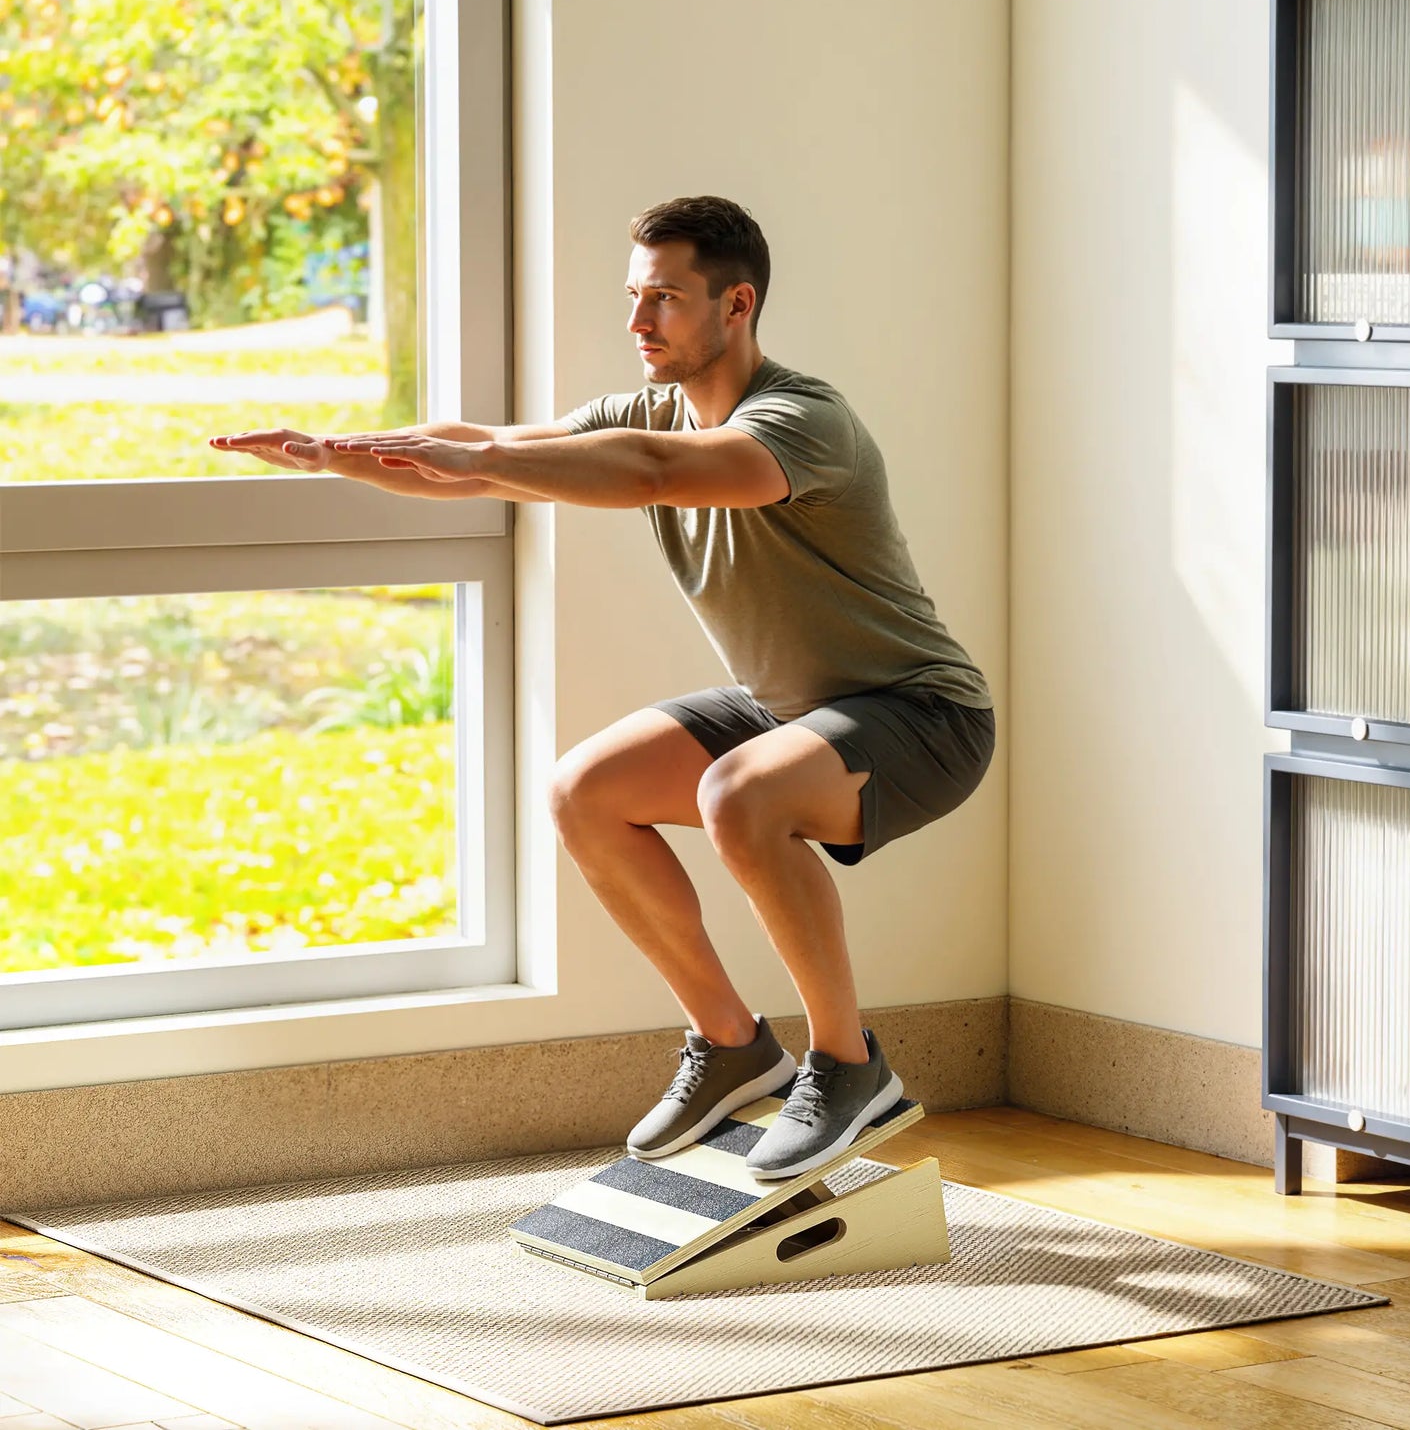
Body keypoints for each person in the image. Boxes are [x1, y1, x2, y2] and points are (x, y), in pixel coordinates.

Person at [209, 194, 995, 1181]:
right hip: (791, 703)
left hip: (924, 712)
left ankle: (848, 1065)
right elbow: (492, 458)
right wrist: (345, 454)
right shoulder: (649, 409)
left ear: (736, 304)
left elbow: (655, 471)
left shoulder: (801, 422)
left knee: (738, 795)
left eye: (663, 299)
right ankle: (732, 1043)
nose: (637, 323)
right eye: (633, 297)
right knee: (586, 788)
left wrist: (480, 456)